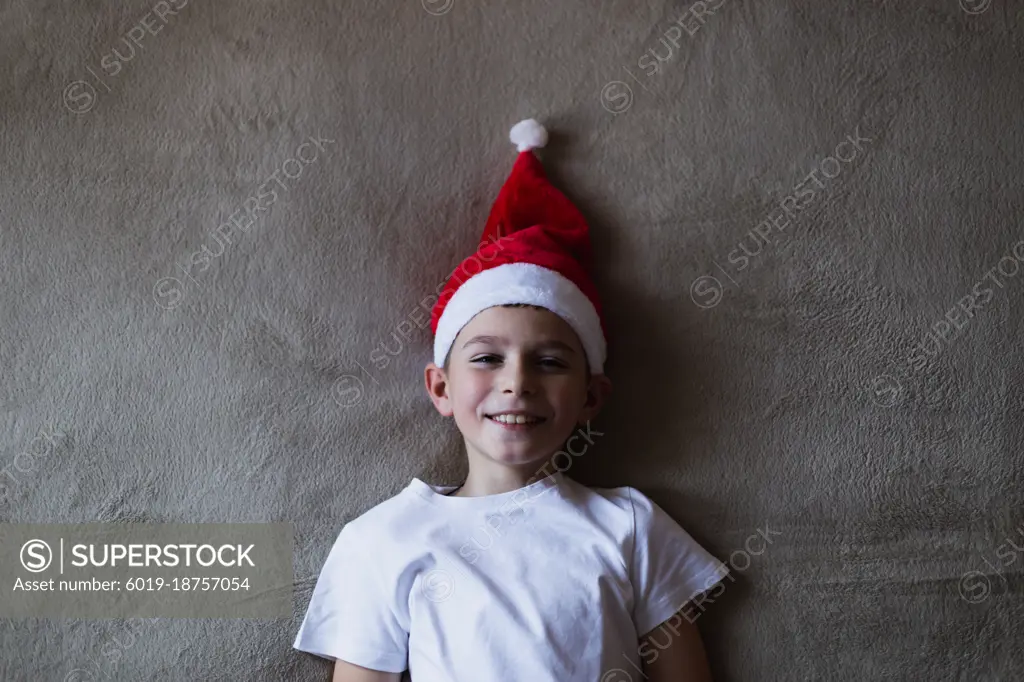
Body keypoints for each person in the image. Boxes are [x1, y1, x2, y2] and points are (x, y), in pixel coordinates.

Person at [293, 119, 729, 681]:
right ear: (441, 389)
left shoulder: (630, 526)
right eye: (486, 358)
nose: (516, 383)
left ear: (593, 396)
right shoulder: (382, 540)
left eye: (549, 362)